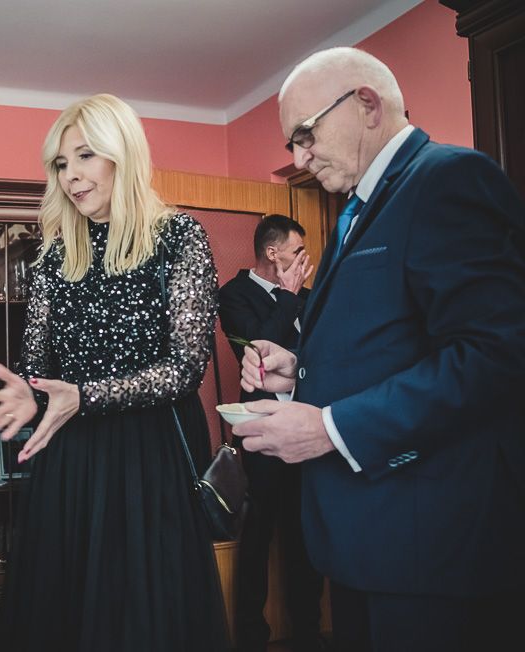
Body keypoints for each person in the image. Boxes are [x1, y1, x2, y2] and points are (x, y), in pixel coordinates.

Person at [233, 47, 525, 652]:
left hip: (432, 548)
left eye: (306, 135)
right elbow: (390, 345)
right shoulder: (354, 213)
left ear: (366, 104)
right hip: (366, 541)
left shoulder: (447, 179)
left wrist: (330, 428)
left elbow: (494, 354)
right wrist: (297, 373)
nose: (299, 158)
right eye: (293, 144)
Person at [0, 94, 228, 652]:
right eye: (60, 164)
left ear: (123, 153)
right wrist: (28, 393)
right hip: (73, 461)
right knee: (71, 609)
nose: (70, 175)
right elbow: (38, 365)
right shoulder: (54, 256)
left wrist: (85, 396)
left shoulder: (178, 237)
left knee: (145, 608)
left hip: (151, 458)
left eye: (85, 156)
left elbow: (185, 368)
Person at [218, 215, 325, 652]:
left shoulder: (311, 297)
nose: (304, 260)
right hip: (260, 434)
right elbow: (257, 352)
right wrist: (287, 296)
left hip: (307, 428)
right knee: (257, 537)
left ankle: (309, 633)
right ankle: (251, 638)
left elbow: (321, 355)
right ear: (272, 252)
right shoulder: (234, 294)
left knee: (304, 535)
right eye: (298, 251)